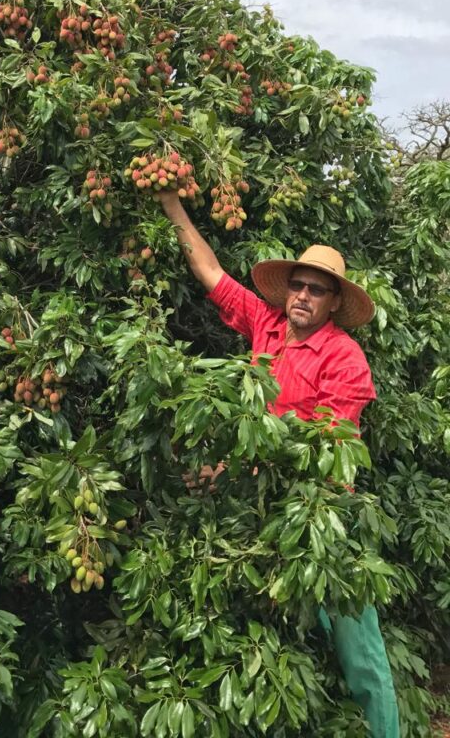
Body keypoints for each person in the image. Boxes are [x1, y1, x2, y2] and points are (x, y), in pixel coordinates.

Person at [158, 188, 400, 738]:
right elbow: (210, 270)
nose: (304, 295)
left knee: (356, 645)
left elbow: (328, 448)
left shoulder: (345, 358)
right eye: (299, 284)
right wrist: (172, 204)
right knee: (286, 629)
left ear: (334, 303)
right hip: (262, 505)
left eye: (318, 290)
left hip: (319, 513)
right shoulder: (266, 325)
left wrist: (232, 467)